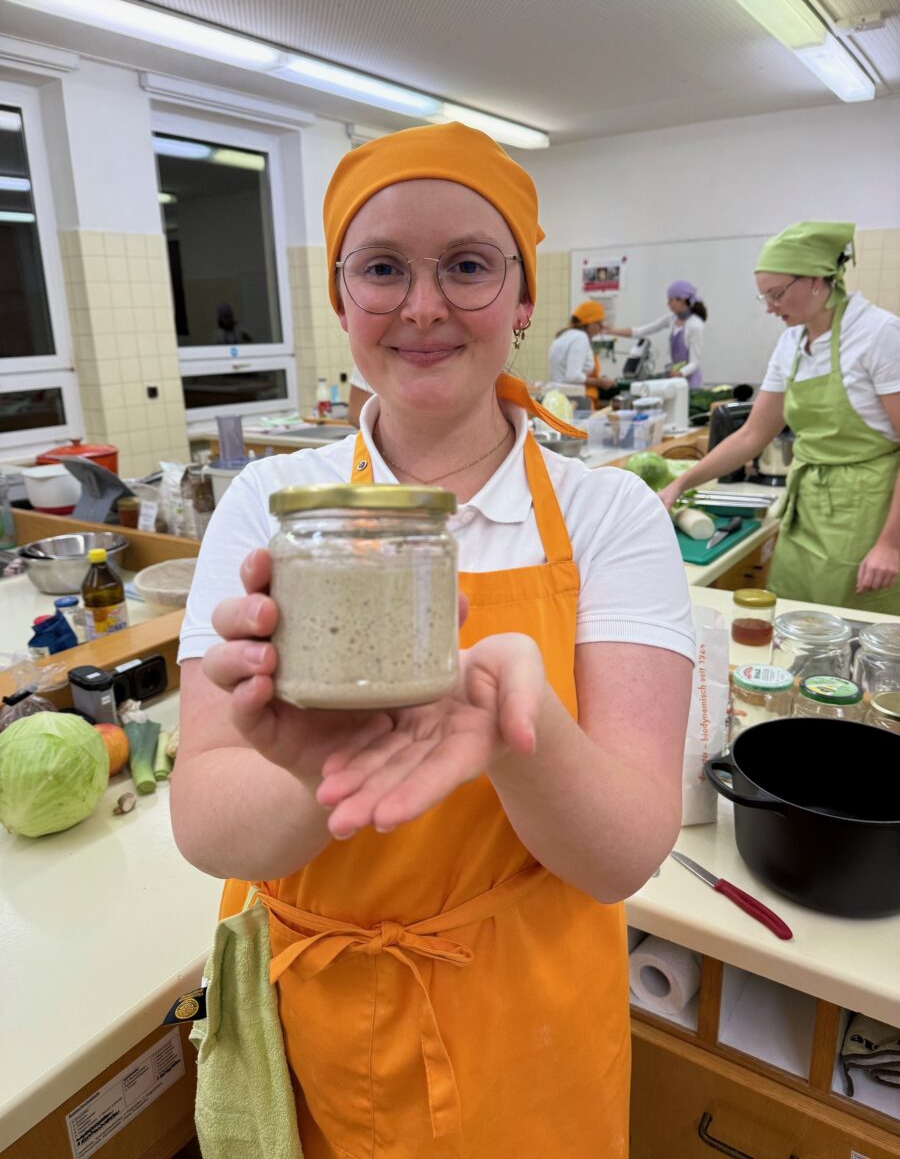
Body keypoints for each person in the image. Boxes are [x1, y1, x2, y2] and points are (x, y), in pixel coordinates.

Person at [172, 121, 694, 1157]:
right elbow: (207, 824)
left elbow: (625, 852)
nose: (422, 307)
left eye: (466, 266)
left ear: (523, 297)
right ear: (338, 298)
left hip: (526, 1025)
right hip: (315, 1027)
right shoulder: (274, 506)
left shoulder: (608, 516)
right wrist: (315, 770)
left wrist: (516, 726)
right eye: (382, 268)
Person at [660, 221, 900, 614]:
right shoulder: (791, 343)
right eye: (764, 297)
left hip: (869, 514)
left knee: (848, 638)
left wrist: (891, 544)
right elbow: (752, 435)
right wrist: (681, 483)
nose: (770, 307)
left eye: (776, 294)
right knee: (790, 624)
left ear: (816, 281)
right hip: (805, 511)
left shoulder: (878, 334)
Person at [602, 279, 706, 387]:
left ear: (682, 300)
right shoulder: (671, 319)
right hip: (675, 378)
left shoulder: (695, 325)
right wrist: (611, 331)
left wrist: (680, 373)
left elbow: (694, 362)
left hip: (690, 382)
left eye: (671, 300)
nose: (668, 303)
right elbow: (639, 331)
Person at [547, 300, 617, 405]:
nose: (600, 329)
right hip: (572, 400)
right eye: (599, 324)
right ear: (590, 323)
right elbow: (573, 376)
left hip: (558, 397)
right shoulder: (580, 337)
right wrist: (600, 382)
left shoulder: (565, 335)